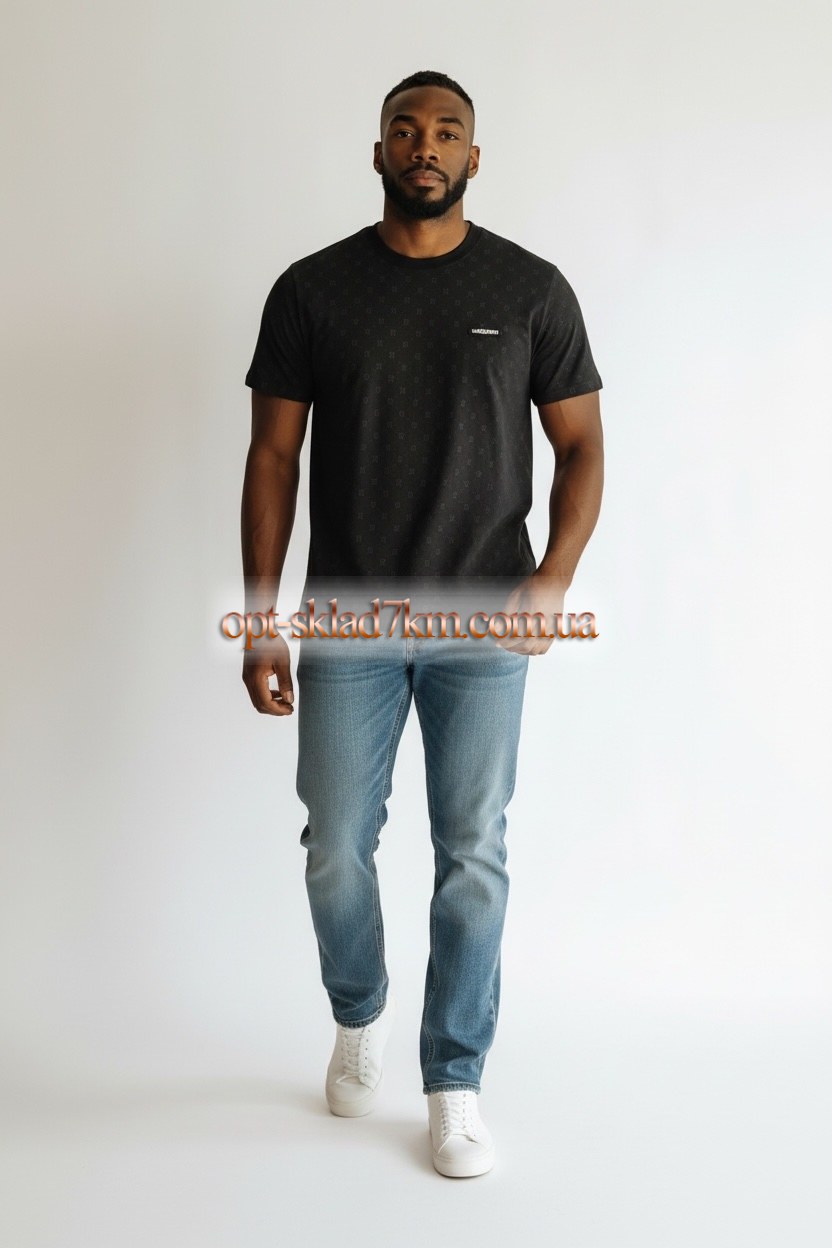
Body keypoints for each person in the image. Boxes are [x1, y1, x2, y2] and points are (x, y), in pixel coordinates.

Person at [240, 69, 604, 1178]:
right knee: (334, 848)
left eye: (447, 131)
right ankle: (358, 1017)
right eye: (405, 129)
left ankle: (454, 1081)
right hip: (348, 618)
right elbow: (272, 457)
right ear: (379, 152)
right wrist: (261, 618)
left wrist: (554, 576)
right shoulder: (313, 290)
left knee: (473, 853)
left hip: (484, 624)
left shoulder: (531, 289)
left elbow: (581, 445)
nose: (425, 145)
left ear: (474, 158)